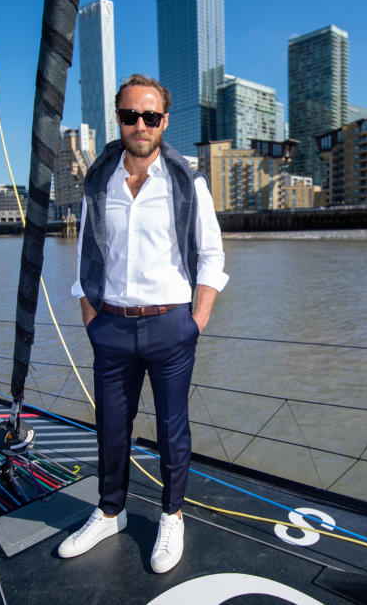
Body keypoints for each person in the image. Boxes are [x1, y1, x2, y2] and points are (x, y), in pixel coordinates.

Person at [60, 73, 228, 574]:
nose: (140, 124)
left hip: (170, 326)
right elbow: (88, 254)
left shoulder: (185, 182)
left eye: (150, 116)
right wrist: (91, 318)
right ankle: (110, 510)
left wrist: (195, 321)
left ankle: (171, 516)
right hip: (110, 326)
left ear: (164, 122)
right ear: (118, 118)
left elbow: (212, 257)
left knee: (172, 429)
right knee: (111, 426)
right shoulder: (99, 181)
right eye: (131, 115)